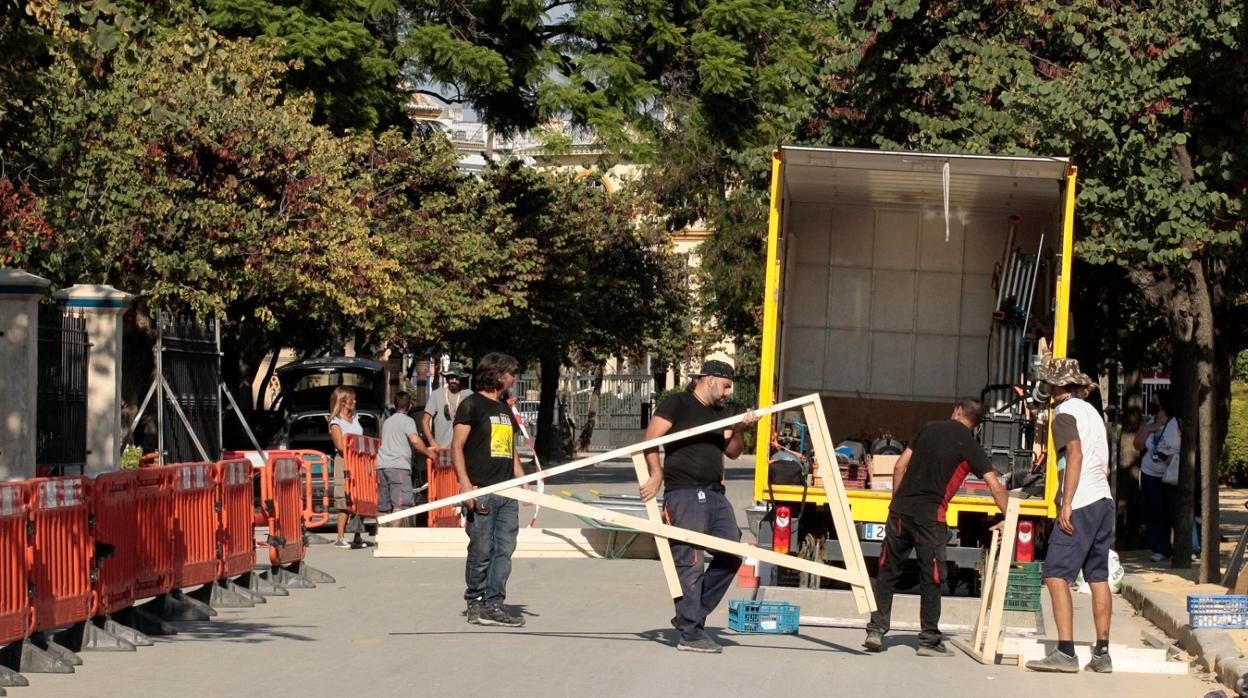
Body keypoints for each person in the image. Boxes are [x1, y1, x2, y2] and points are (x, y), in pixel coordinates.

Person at [863, 398, 1009, 657]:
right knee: (931, 577)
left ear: (958, 411)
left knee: (887, 571)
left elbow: (899, 466)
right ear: (975, 423)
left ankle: (876, 630)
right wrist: (1009, 518)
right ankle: (929, 641)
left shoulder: (927, 428)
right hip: (931, 518)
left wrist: (897, 502)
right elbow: (995, 485)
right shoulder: (971, 447)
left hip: (900, 513)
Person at [639, 359, 758, 654]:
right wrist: (656, 473)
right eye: (726, 385)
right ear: (709, 379)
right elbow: (650, 439)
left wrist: (740, 428)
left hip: (715, 494)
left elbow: (732, 452)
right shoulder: (677, 403)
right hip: (684, 493)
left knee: (732, 552)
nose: (728, 392)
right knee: (691, 561)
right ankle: (691, 633)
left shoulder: (720, 414)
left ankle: (688, 615)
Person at [1025, 357, 1115, 674]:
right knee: (1098, 576)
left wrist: (1066, 501)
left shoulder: (1063, 414)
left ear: (1058, 385)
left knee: (1054, 574)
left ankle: (1065, 652)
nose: (1046, 386)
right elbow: (1102, 464)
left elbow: (1074, 454)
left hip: (1082, 502)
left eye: (1049, 381)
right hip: (1103, 500)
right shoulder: (1092, 413)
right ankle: (1102, 653)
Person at [454, 352, 527, 627]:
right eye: (510, 373)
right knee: (481, 549)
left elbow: (510, 451)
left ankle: (494, 603)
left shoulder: (505, 410)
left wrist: (523, 481)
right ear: (497, 375)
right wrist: (465, 486)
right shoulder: (472, 405)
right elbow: (457, 447)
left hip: (508, 493)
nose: (513, 378)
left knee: (504, 549)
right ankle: (475, 601)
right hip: (481, 489)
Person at [1134, 390, 1183, 562]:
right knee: (1154, 511)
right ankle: (1160, 549)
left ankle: (1181, 548)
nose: (1153, 404)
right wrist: (1148, 429)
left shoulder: (1177, 423)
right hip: (1150, 473)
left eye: (1156, 401)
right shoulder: (1149, 421)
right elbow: (1137, 445)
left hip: (1171, 474)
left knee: (1172, 511)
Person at [376, 392, 436, 526]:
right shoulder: (408, 421)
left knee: (384, 506)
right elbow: (415, 440)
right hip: (398, 466)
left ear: (395, 405)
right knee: (400, 504)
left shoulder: (387, 421)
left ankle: (381, 535)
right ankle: (393, 537)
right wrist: (429, 453)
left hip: (382, 465)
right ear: (410, 406)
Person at [327, 386, 366, 549]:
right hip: (344, 461)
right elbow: (340, 445)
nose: (355, 401)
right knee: (344, 499)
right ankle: (340, 537)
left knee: (360, 497)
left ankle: (357, 535)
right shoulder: (336, 422)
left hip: (359, 461)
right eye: (353, 399)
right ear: (343, 401)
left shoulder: (355, 417)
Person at [423, 361, 472, 466]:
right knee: (442, 482)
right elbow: (425, 421)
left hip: (464, 451)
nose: (454, 381)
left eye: (457, 378)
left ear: (461, 379)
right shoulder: (437, 394)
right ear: (447, 378)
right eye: (451, 377)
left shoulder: (469, 395)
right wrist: (432, 442)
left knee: (461, 481)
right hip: (443, 450)